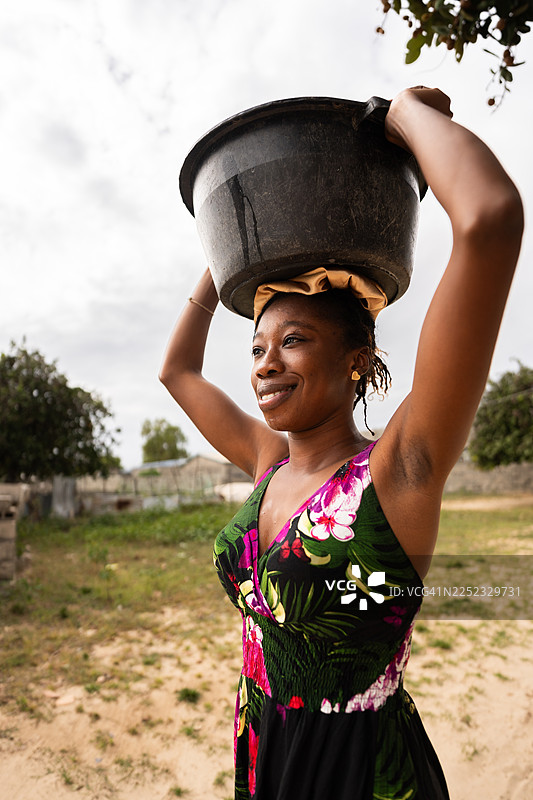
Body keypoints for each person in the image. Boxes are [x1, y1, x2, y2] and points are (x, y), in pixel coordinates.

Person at [160, 87, 523, 799]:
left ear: (357, 359)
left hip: (356, 770)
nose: (265, 364)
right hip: (265, 745)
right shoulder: (268, 462)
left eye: (293, 340)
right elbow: (178, 372)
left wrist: (406, 115)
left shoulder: (396, 472)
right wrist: (234, 242)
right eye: (258, 346)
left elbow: (490, 219)